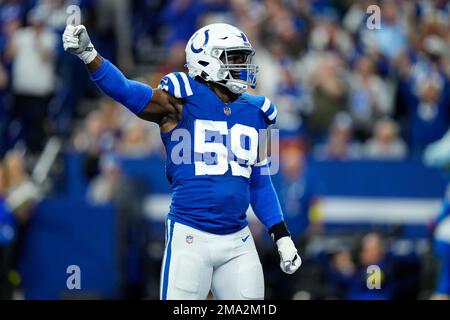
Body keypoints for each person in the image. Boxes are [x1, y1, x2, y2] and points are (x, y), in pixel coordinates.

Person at [62, 23, 301, 300]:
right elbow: (126, 91)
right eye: (233, 58)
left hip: (238, 240)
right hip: (190, 236)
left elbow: (260, 182)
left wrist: (280, 233)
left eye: (243, 58)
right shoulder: (180, 98)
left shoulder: (258, 111)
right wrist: (90, 55)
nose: (243, 66)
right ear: (206, 59)